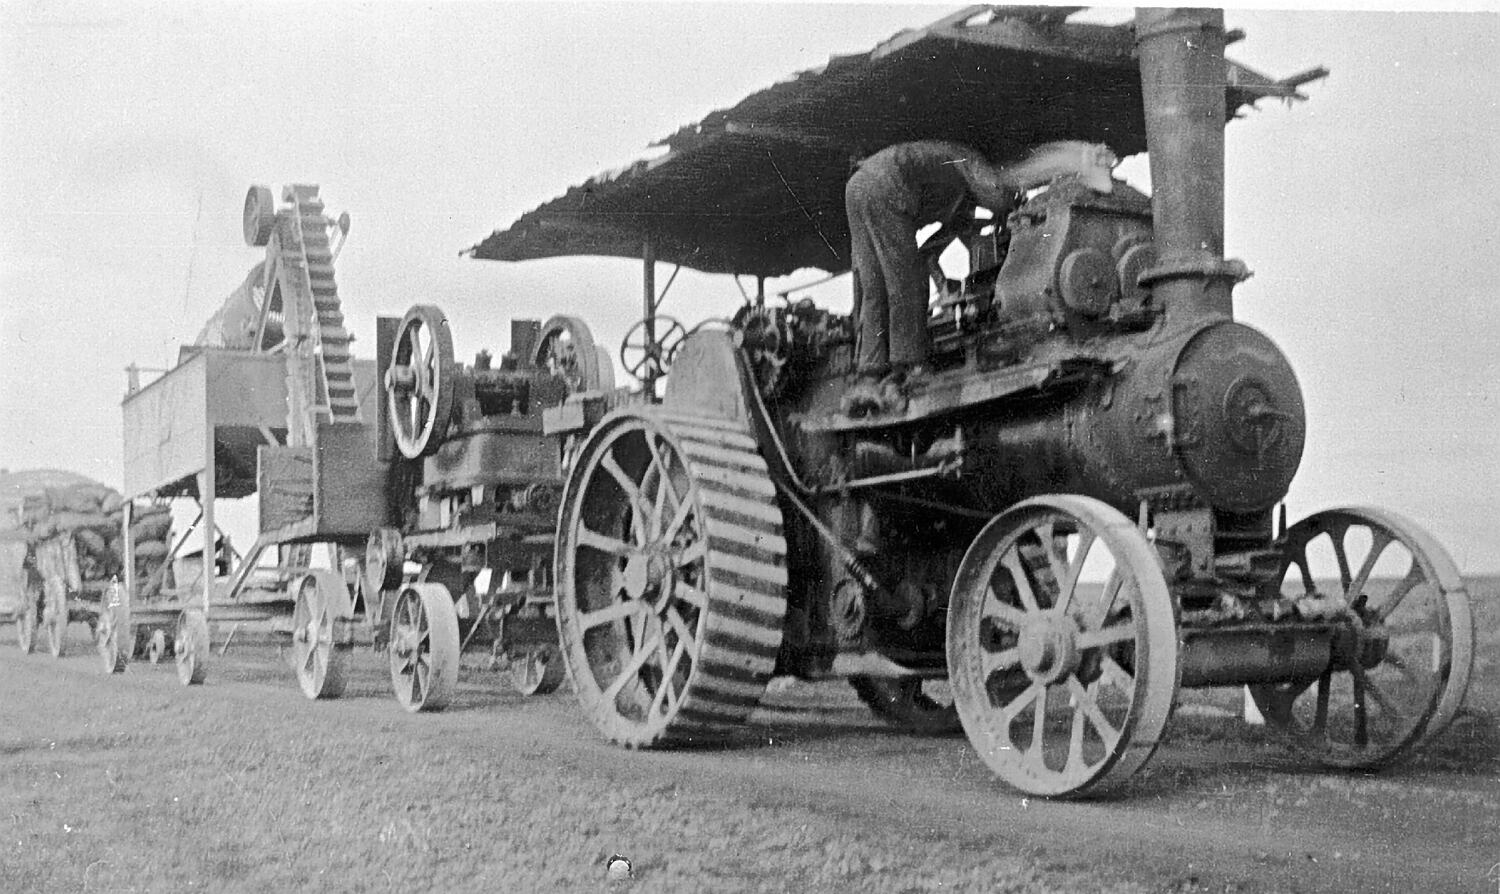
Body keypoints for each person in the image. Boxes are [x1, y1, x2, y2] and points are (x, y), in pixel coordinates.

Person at [842, 139, 1118, 416]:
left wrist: (946, 279)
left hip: (856, 188)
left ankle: (870, 370)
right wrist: (1013, 210)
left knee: (874, 288)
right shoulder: (969, 159)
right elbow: (997, 194)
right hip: (886, 186)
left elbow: (936, 246)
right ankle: (911, 367)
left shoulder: (949, 190)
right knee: (907, 284)